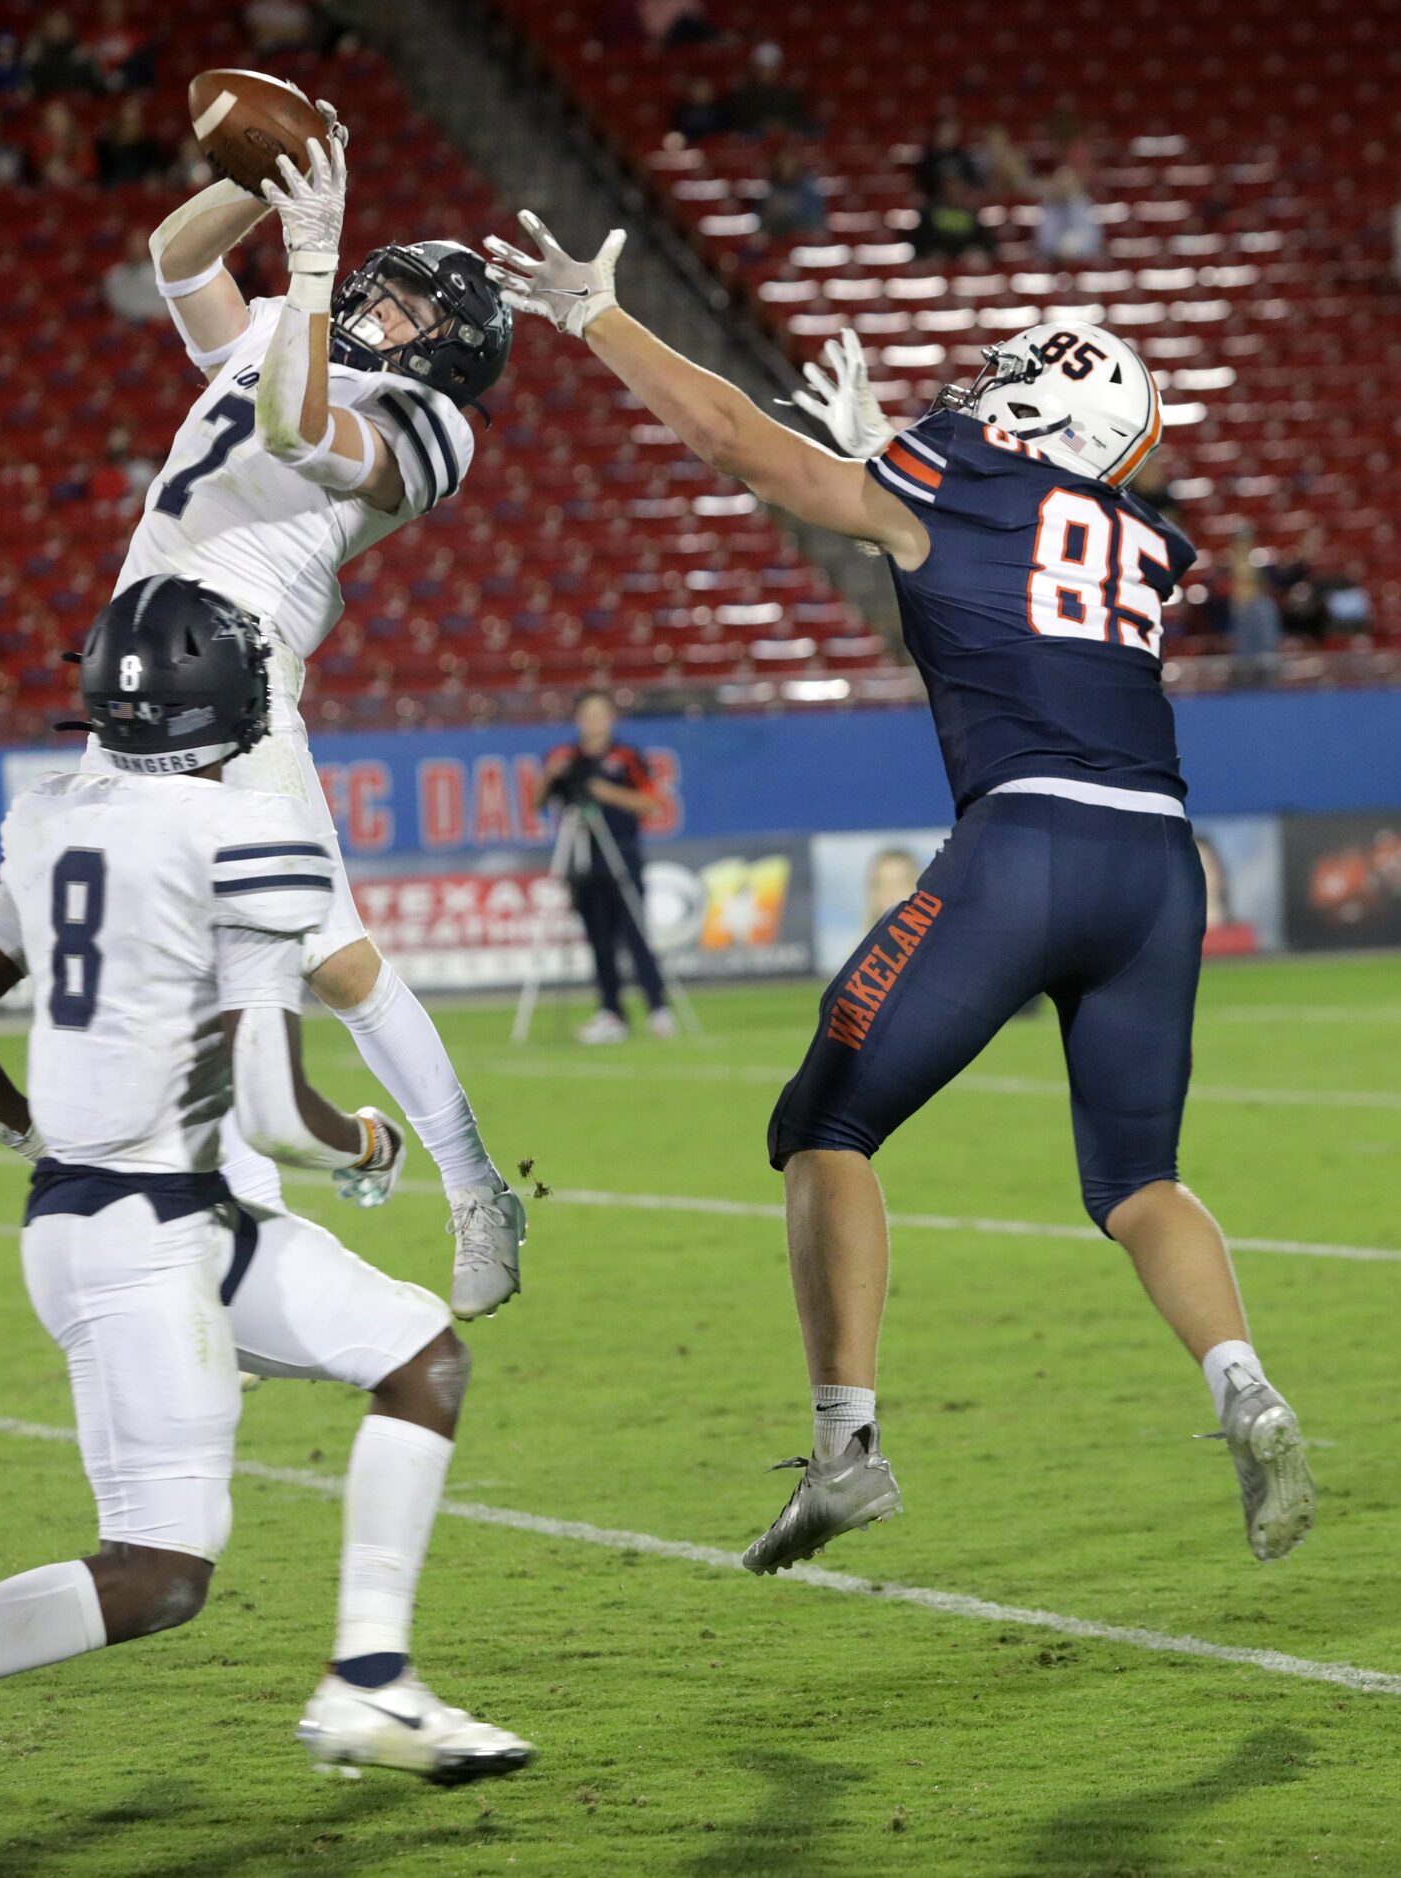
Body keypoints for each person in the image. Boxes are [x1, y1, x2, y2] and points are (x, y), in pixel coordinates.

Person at [487, 215, 1316, 1570]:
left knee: (824, 1119)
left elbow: (739, 447)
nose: (981, 380)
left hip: (1026, 844)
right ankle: (1244, 1387)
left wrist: (594, 318)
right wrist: (882, 465)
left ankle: (843, 1448)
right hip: (1156, 862)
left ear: (1038, 407)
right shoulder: (1142, 542)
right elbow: (992, 579)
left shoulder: (961, 474)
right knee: (1134, 1178)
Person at [0, 583, 532, 1873]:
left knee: (418, 1356)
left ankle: (371, 1679)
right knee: (160, 1574)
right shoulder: (247, 830)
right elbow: (278, 1105)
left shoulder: (53, 822)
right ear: (228, 702)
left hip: (157, 1216)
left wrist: (40, 1136)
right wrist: (368, 1142)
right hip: (139, 1238)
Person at [109, 109, 526, 1317]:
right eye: (377, 287)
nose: (374, 308)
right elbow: (178, 261)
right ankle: (235, 1208)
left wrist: (309, 254)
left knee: (336, 963)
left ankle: (470, 1187)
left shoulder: (432, 425)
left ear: (448, 356)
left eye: (406, 308)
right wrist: (263, 175)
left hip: (238, 682)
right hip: (136, 682)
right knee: (157, 972)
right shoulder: (284, 342)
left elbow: (296, 423)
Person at [541, 690, 673, 1043]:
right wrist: (551, 776)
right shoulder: (564, 757)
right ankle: (611, 1011)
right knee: (598, 939)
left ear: (610, 717)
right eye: (588, 714)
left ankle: (658, 1008)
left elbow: (652, 804)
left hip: (621, 851)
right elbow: (540, 802)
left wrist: (604, 792)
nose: (594, 721)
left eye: (601, 713)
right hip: (582, 854)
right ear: (578, 719)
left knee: (636, 933)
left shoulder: (627, 756)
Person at [1035, 166, 1102, 264]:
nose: (1064, 189)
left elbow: (1093, 242)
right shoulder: (1048, 208)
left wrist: (1073, 249)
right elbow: (1044, 243)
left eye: (1068, 184)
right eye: (1060, 185)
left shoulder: (1085, 206)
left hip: (1083, 262)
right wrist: (1062, 249)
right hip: (1054, 262)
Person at [95, 96, 167, 188]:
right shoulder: (108, 142)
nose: (132, 114)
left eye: (135, 110)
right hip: (115, 185)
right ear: (121, 113)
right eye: (129, 109)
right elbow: (103, 169)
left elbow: (156, 167)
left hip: (140, 184)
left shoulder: (149, 143)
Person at [102, 228, 162, 322]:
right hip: (127, 325)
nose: (135, 248)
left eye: (139, 244)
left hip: (157, 325)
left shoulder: (162, 273)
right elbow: (115, 304)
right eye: (132, 243)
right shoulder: (114, 275)